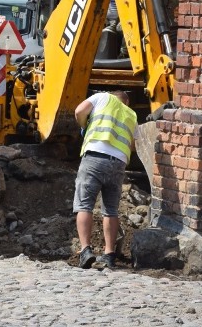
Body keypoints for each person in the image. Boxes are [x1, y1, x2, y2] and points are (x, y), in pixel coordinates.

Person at [73, 90, 137, 269]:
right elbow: (132, 145)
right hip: (118, 163)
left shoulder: (102, 97)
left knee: (84, 204)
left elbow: (79, 111)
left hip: (94, 157)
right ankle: (109, 254)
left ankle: (86, 251)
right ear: (127, 101)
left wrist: (85, 127)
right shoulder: (131, 114)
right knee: (110, 209)